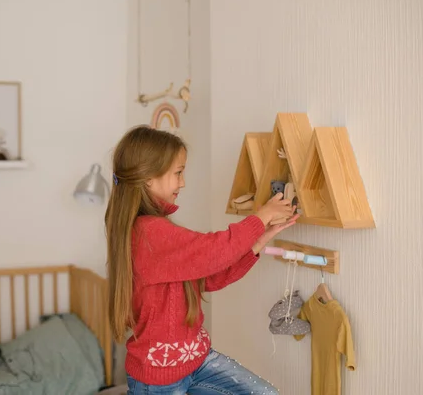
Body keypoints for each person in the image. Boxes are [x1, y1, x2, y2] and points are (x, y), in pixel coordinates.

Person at [105, 125, 299, 394]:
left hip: (196, 362)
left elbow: (211, 275)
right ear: (149, 178)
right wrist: (261, 217)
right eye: (178, 173)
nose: (182, 183)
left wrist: (260, 239)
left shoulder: (158, 231)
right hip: (158, 380)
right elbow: (214, 251)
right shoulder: (149, 233)